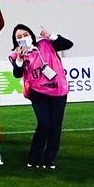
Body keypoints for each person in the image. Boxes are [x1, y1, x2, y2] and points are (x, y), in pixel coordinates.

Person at [9, 24, 72, 169]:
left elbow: (68, 45)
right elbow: (17, 74)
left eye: (25, 35)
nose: (23, 38)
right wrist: (20, 59)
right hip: (37, 92)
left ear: (31, 35)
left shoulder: (46, 44)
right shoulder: (16, 55)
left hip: (58, 90)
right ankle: (34, 158)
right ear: (15, 41)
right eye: (19, 37)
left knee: (55, 126)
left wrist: (50, 35)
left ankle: (49, 159)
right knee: (44, 125)